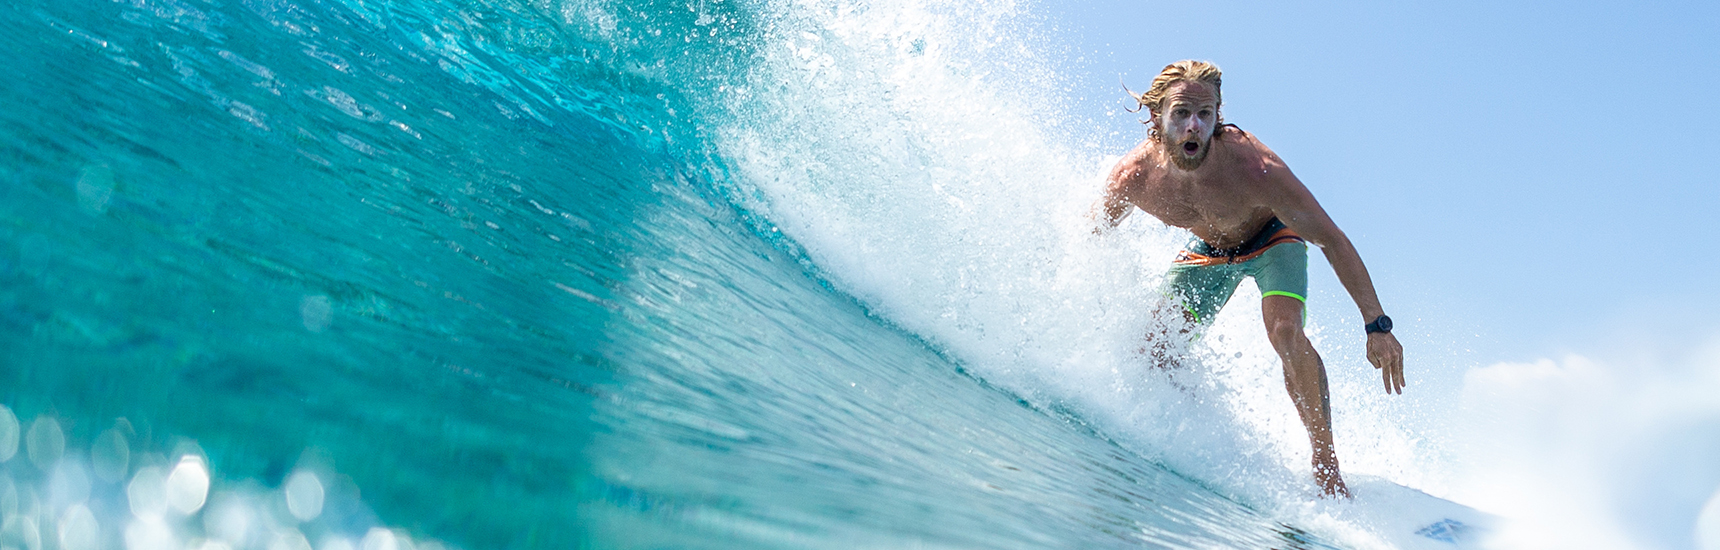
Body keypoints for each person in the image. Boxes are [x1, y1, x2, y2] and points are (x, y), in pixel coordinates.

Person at [1092, 60, 1405, 498]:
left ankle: (1325, 464)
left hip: (1272, 238)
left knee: (1285, 331)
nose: (1194, 126)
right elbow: (1092, 237)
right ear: (1156, 115)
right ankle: (1186, 424)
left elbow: (1331, 239)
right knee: (1154, 350)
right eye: (1181, 113)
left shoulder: (1256, 168)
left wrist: (1377, 326)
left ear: (1218, 114)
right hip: (1208, 252)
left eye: (1205, 113)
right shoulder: (1134, 176)